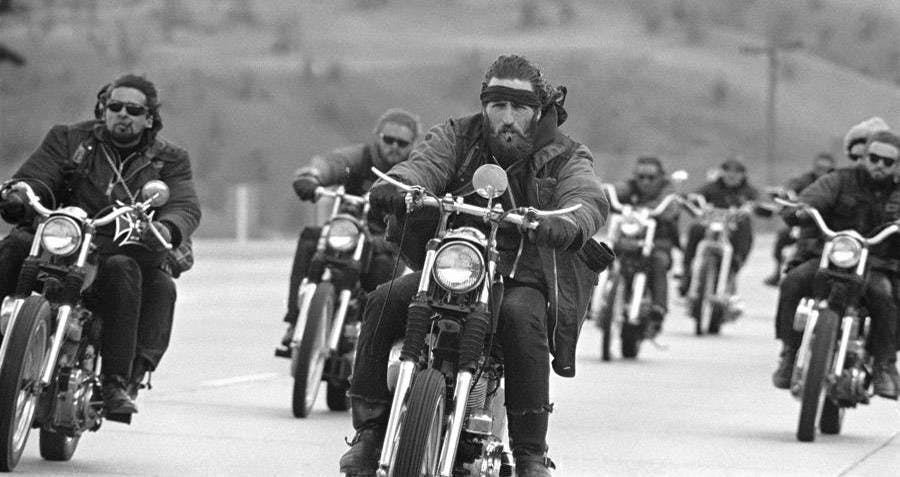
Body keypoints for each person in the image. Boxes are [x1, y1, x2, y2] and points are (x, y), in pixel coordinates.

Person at [337, 55, 608, 477]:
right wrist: (403, 185)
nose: (507, 118)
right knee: (384, 299)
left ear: (538, 111)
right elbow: (424, 164)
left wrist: (568, 222)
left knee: (522, 319)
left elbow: (586, 197)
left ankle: (529, 455)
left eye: (518, 108)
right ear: (485, 106)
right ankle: (371, 434)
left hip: (521, 275)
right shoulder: (456, 135)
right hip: (454, 263)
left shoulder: (566, 154)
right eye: (497, 106)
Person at [0, 74, 201, 415]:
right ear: (103, 109)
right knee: (17, 243)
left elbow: (184, 204)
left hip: (121, 248)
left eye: (134, 109)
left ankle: (114, 383)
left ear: (148, 118)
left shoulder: (169, 160)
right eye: (116, 106)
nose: (124, 114)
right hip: (67, 237)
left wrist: (168, 227)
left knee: (126, 271)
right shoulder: (69, 138)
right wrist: (21, 195)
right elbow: (39, 176)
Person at [276, 108, 420, 350]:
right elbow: (334, 163)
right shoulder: (361, 158)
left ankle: (366, 333)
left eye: (402, 142)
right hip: (347, 229)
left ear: (412, 144)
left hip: (386, 240)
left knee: (385, 268)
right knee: (310, 240)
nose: (394, 146)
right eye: (388, 139)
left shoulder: (414, 169)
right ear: (378, 137)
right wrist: (312, 176)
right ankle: (294, 318)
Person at [771, 130, 900, 399]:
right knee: (793, 281)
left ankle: (884, 364)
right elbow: (810, 200)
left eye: (888, 162)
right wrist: (801, 209)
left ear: (896, 165)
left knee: (885, 297)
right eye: (874, 158)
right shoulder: (838, 180)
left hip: (877, 263)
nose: (880, 165)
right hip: (830, 256)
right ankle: (789, 352)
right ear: (863, 157)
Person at [610, 156, 680, 337]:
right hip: (629, 239)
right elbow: (617, 192)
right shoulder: (630, 187)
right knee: (602, 254)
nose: (645, 182)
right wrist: (600, 192)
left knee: (658, 260)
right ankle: (590, 301)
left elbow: (671, 206)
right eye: (640, 177)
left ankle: (659, 307)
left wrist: (653, 210)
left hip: (658, 240)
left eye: (651, 178)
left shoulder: (668, 191)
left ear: (660, 177)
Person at [678, 156, 760, 297]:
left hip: (734, 231)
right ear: (722, 173)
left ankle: (733, 269)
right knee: (695, 229)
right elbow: (697, 196)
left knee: (745, 228)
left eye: (736, 172)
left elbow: (760, 203)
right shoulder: (712, 188)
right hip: (712, 227)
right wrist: (688, 199)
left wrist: (755, 208)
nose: (732, 175)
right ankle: (687, 272)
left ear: (743, 175)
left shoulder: (749, 191)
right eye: (728, 171)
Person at [763, 152, 835, 287]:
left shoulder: (837, 182)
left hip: (830, 227)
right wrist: (787, 194)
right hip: (805, 223)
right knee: (782, 238)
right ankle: (778, 271)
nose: (822, 171)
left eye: (826, 169)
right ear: (814, 167)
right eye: (819, 168)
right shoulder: (805, 180)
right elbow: (791, 187)